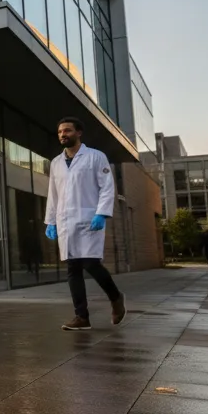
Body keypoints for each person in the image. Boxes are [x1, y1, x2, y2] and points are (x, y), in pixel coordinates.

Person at [45, 117, 126, 331]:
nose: (63, 134)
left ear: (79, 133)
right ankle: (82, 317)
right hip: (66, 221)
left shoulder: (95, 157)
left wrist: (101, 214)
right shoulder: (55, 163)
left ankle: (116, 297)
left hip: (89, 219)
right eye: (60, 131)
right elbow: (53, 195)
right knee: (73, 268)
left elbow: (107, 187)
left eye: (68, 131)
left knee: (90, 264)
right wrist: (50, 221)